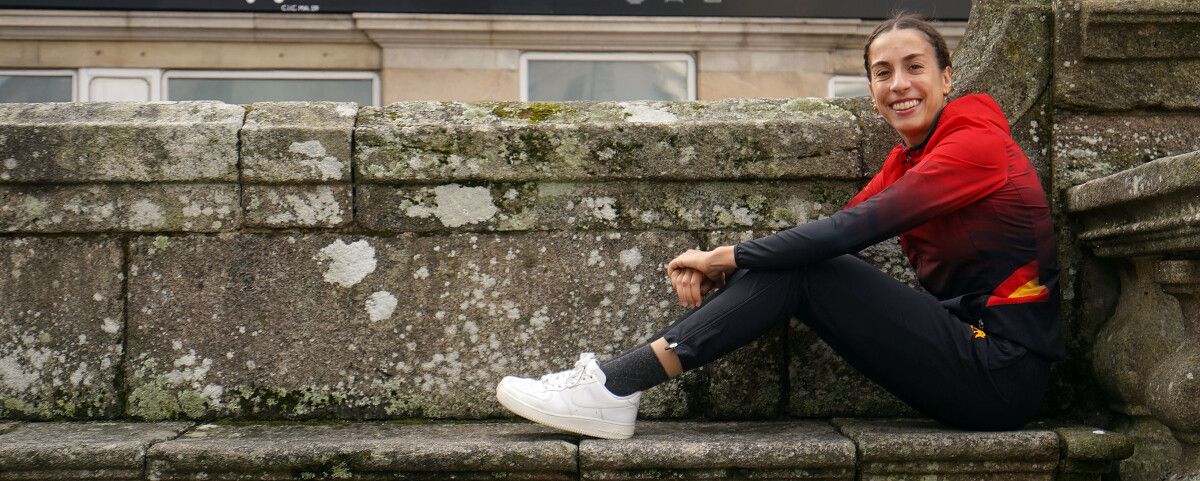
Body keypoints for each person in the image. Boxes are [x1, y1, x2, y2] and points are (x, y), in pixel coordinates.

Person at [495, 13, 1065, 439]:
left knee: (810, 270)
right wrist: (741, 266)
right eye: (882, 73)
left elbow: (849, 234)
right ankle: (615, 385)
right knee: (799, 265)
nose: (899, 85)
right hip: (967, 355)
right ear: (870, 93)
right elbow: (833, 228)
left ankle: (616, 385)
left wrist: (726, 257)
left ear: (947, 77)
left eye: (915, 68)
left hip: (1000, 370)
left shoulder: (978, 145)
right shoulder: (906, 161)